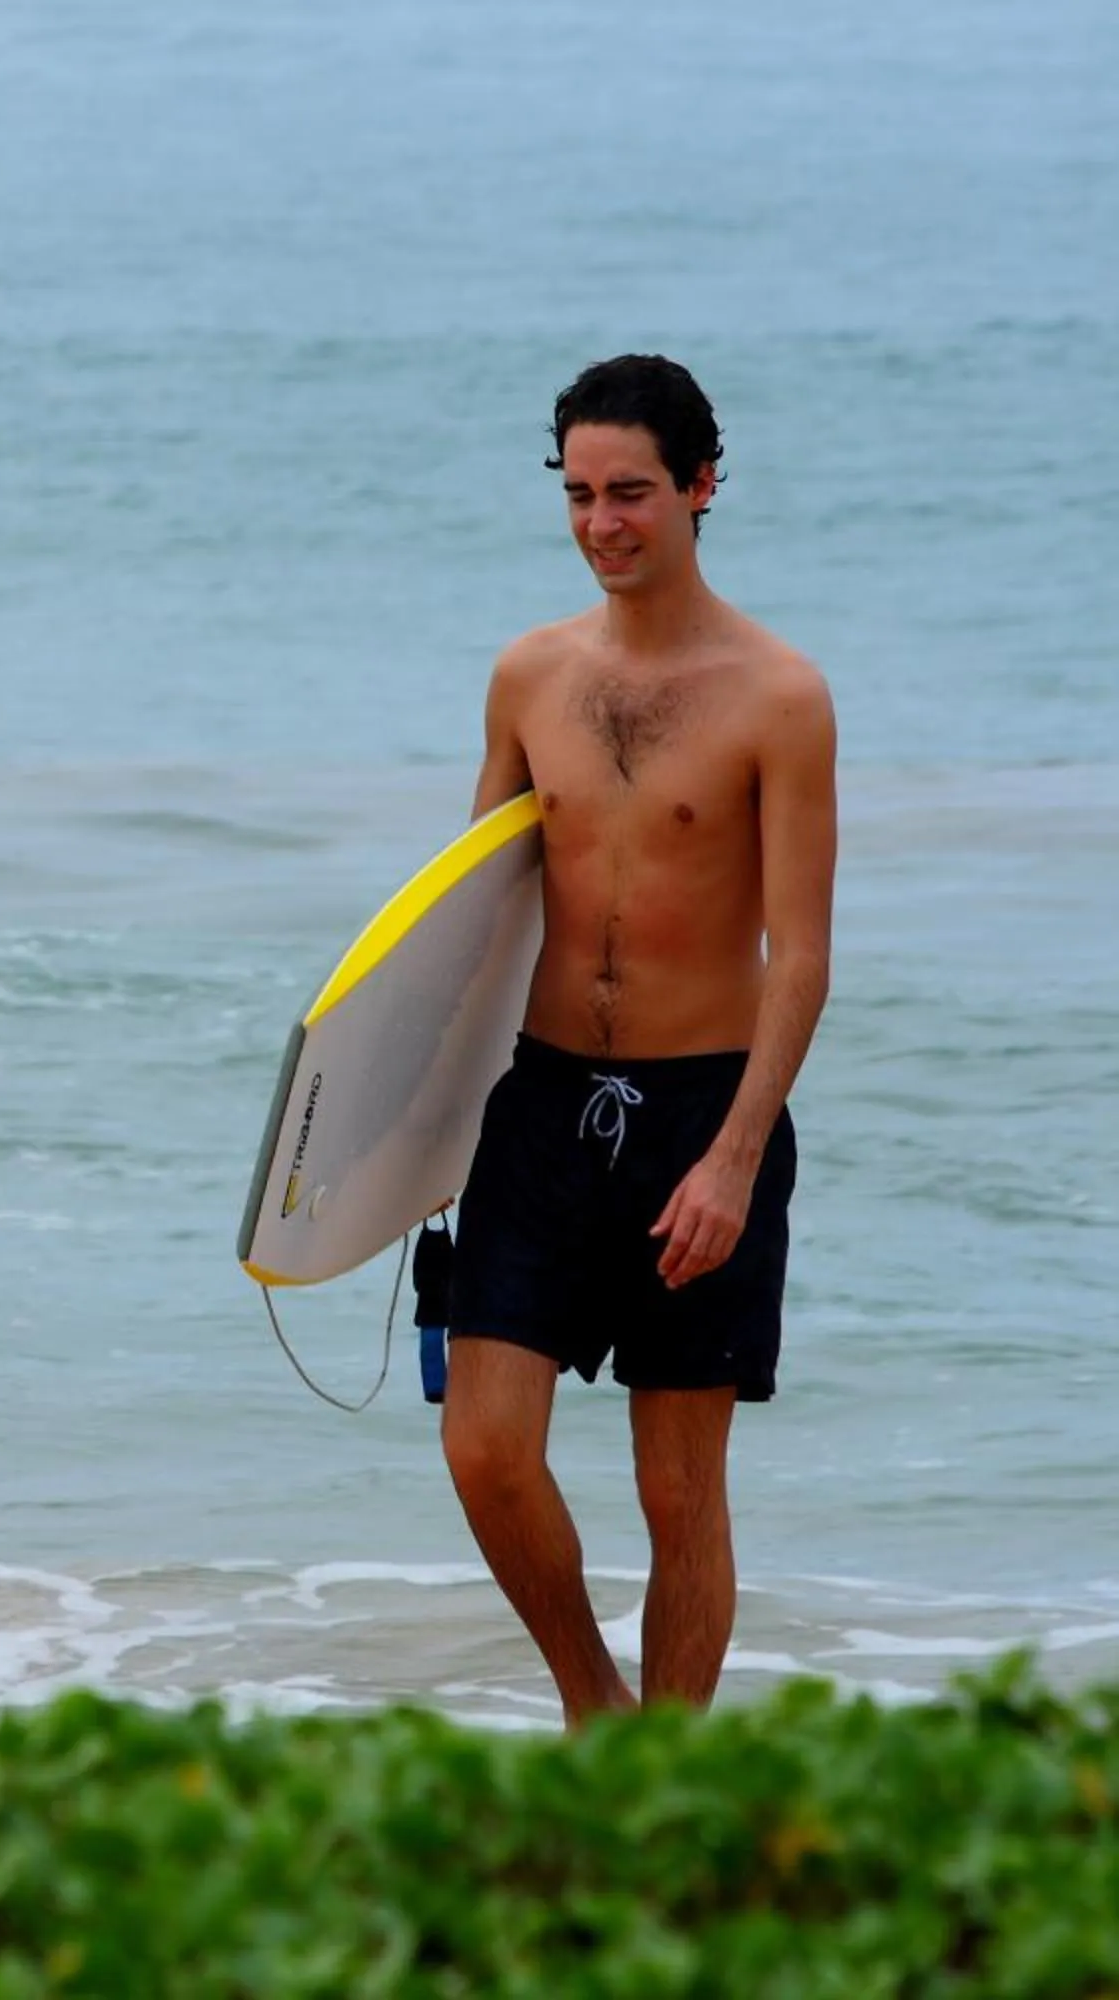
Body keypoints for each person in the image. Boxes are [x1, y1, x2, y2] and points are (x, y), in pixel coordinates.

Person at [440, 356, 838, 1726]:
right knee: (485, 1452)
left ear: (701, 489)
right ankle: (592, 1706)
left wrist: (733, 1161)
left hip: (700, 1113)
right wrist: (415, 1129)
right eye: (579, 495)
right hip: (542, 1105)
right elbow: (466, 924)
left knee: (679, 1492)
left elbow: (803, 955)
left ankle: (666, 1777)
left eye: (632, 495)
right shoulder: (527, 675)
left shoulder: (780, 698)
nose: (603, 523)